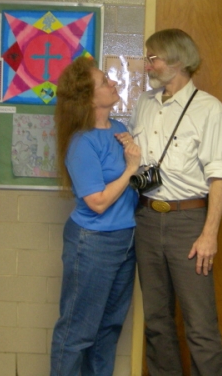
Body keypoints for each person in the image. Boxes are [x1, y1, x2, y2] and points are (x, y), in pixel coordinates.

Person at [117, 28, 222, 376]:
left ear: (178, 60)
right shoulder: (144, 103)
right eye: (147, 57)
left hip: (189, 224)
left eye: (153, 58)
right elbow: (142, 161)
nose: (147, 64)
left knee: (200, 328)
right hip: (147, 220)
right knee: (156, 322)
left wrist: (209, 234)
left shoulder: (208, 109)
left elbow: (219, 176)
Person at [50, 56, 141, 376]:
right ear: (89, 97)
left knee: (108, 330)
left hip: (125, 241)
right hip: (92, 244)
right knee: (77, 332)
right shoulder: (81, 142)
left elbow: (132, 185)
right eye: (105, 81)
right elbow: (98, 202)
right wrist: (131, 168)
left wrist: (137, 160)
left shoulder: (119, 130)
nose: (114, 83)